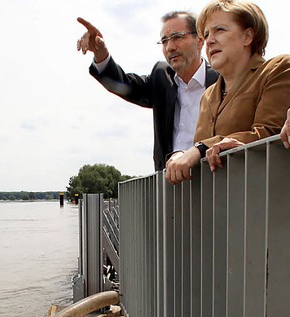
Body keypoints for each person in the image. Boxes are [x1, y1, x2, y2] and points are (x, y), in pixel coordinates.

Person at [166, 0, 290, 184]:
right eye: (206, 34)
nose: (209, 40)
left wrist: (200, 148)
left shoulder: (277, 69)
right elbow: (200, 157)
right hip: (218, 206)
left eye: (220, 30)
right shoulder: (208, 95)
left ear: (247, 36)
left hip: (263, 200)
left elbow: (269, 134)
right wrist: (182, 155)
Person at [77, 12, 219, 171]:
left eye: (177, 37)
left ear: (200, 40)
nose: (170, 47)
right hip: (170, 185)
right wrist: (100, 53)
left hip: (214, 181)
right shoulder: (162, 77)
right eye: (164, 41)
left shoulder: (222, 78)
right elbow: (123, 84)